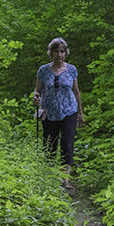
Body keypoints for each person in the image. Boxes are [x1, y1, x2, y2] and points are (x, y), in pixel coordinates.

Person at [33, 37, 84, 183]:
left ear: (66, 53)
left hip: (69, 111)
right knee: (50, 144)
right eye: (56, 51)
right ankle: (50, 177)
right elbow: (37, 91)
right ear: (51, 53)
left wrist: (80, 113)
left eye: (62, 51)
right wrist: (35, 99)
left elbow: (76, 91)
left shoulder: (72, 70)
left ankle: (65, 179)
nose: (59, 55)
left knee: (67, 143)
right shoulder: (43, 70)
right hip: (49, 113)